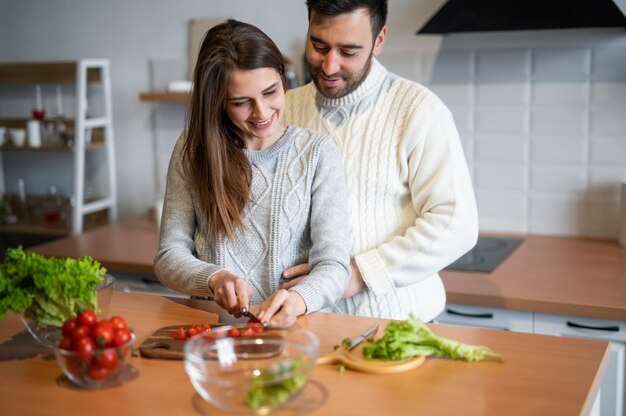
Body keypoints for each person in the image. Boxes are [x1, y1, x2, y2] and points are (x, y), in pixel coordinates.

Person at [282, 0, 479, 322]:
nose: (329, 66)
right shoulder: (284, 109)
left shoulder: (419, 111)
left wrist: (358, 275)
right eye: (319, 46)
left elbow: (456, 223)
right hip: (304, 322)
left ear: (380, 40)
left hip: (398, 322)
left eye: (348, 52)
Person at [154, 19, 351, 328]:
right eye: (241, 102)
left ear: (283, 80)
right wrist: (214, 278)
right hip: (213, 331)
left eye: (270, 92)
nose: (261, 112)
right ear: (218, 102)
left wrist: (300, 300)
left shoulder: (317, 152)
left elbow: (334, 264)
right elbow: (169, 256)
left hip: (292, 329)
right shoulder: (194, 150)